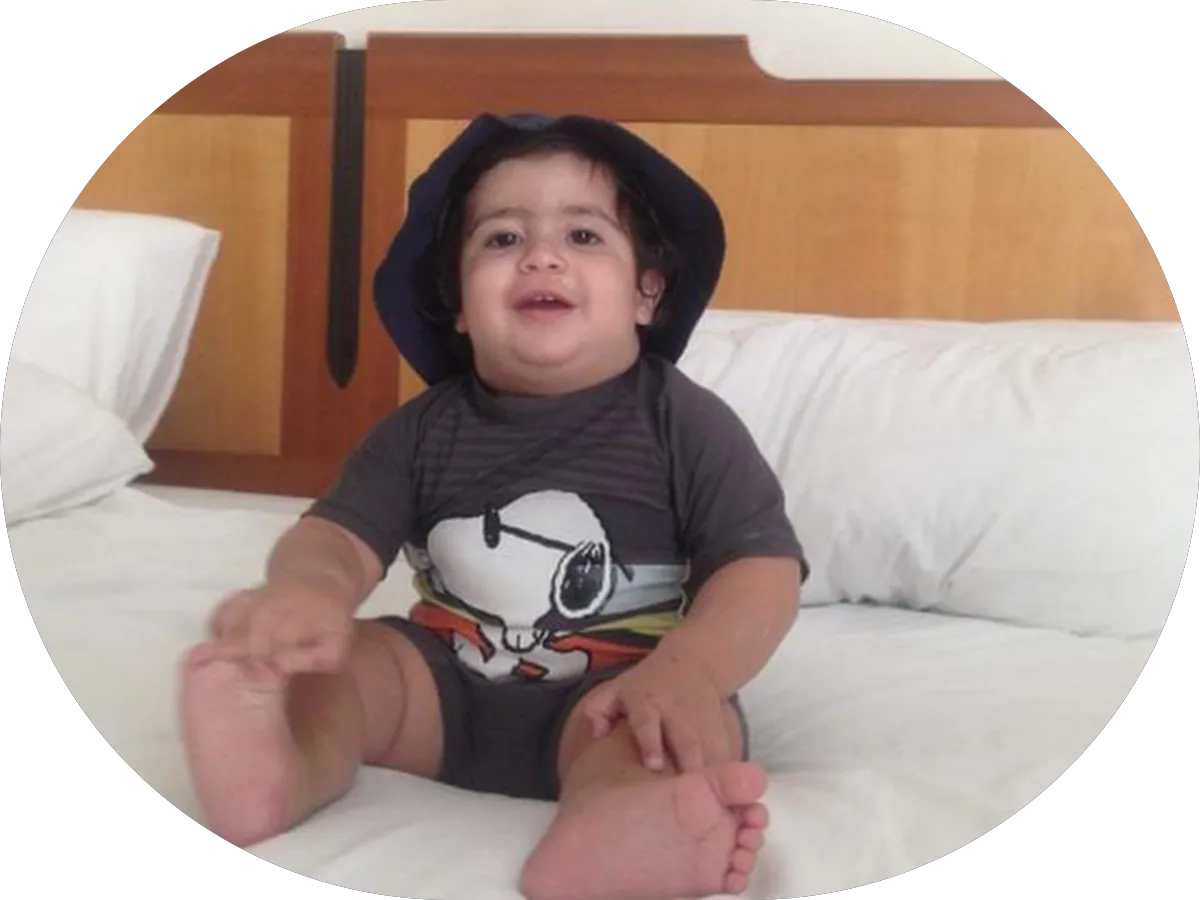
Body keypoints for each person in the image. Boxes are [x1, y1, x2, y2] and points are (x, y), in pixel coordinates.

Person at [179, 112, 809, 900]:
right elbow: (336, 538)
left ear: (647, 293)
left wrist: (692, 670)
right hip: (438, 689)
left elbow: (760, 571)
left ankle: (619, 833)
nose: (541, 255)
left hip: (618, 692)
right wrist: (308, 590)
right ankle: (280, 766)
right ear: (458, 304)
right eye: (503, 238)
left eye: (584, 236)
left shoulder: (683, 423)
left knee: (677, 735)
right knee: (352, 665)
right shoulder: (421, 431)